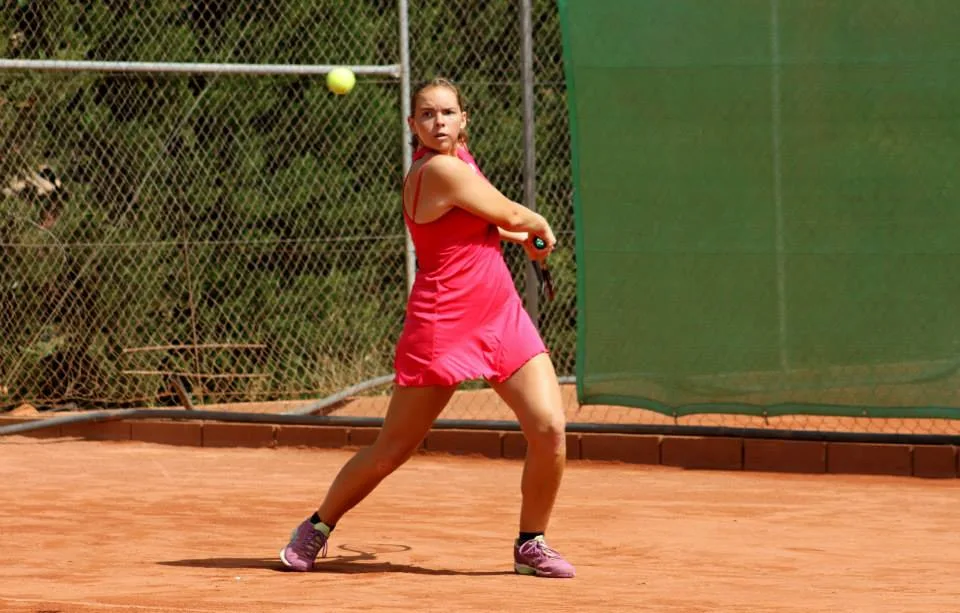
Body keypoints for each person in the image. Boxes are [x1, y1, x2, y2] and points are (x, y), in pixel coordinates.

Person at [280, 77, 574, 579]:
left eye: (447, 113)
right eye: (428, 115)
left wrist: (512, 234)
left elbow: (485, 221)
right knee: (392, 450)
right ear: (413, 125)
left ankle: (531, 542)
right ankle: (317, 526)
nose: (439, 122)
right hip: (444, 324)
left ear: (464, 119)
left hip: (501, 316)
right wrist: (537, 226)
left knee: (549, 429)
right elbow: (510, 210)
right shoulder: (437, 170)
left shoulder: (462, 162)